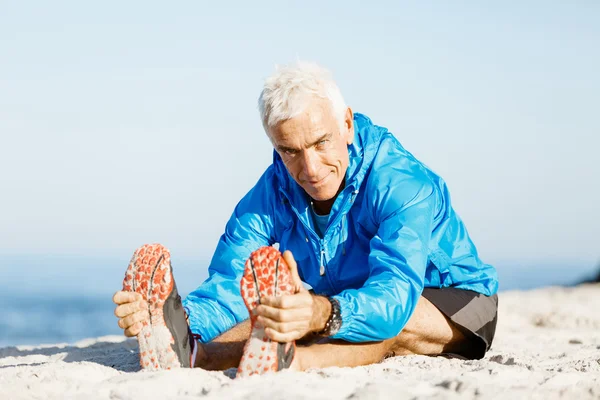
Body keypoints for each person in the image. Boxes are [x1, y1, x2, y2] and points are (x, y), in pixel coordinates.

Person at [113, 61, 499, 374]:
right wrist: (179, 320)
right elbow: (229, 281)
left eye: (320, 143)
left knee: (384, 328)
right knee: (275, 311)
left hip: (453, 300)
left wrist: (320, 313)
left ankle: (293, 363)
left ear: (346, 125)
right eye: (290, 150)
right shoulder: (272, 189)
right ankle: (195, 354)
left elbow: (394, 296)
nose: (310, 168)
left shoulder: (402, 183)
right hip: (347, 298)